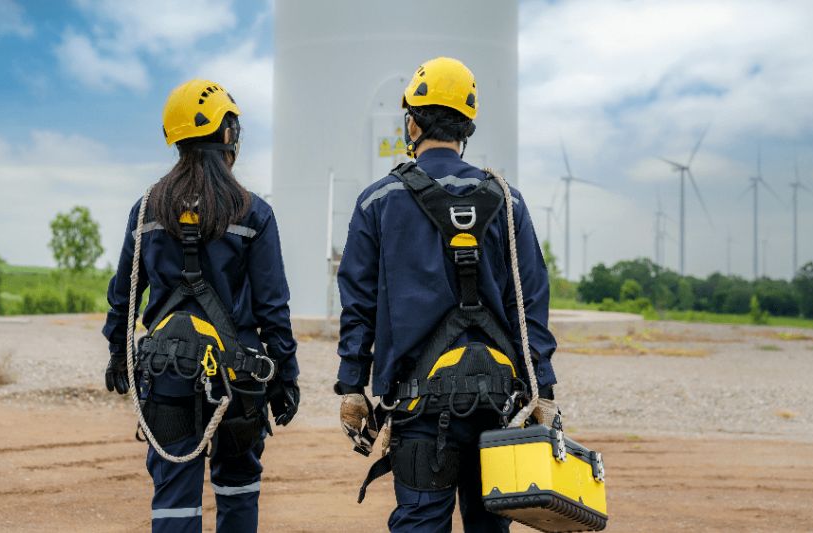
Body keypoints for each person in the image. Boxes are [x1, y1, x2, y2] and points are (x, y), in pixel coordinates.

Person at [335, 57, 559, 532]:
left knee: (420, 523)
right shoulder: (508, 199)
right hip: (500, 403)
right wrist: (545, 388)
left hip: (420, 410)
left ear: (411, 123)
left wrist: (352, 384)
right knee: (490, 525)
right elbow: (531, 302)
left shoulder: (378, 200)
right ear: (467, 127)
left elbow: (358, 303)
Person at [102, 79, 299, 533]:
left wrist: (118, 352)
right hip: (238, 380)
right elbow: (274, 309)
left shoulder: (148, 207)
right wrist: (285, 378)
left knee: (173, 494)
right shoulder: (253, 213)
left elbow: (124, 294)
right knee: (238, 487)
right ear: (227, 134)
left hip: (167, 375)